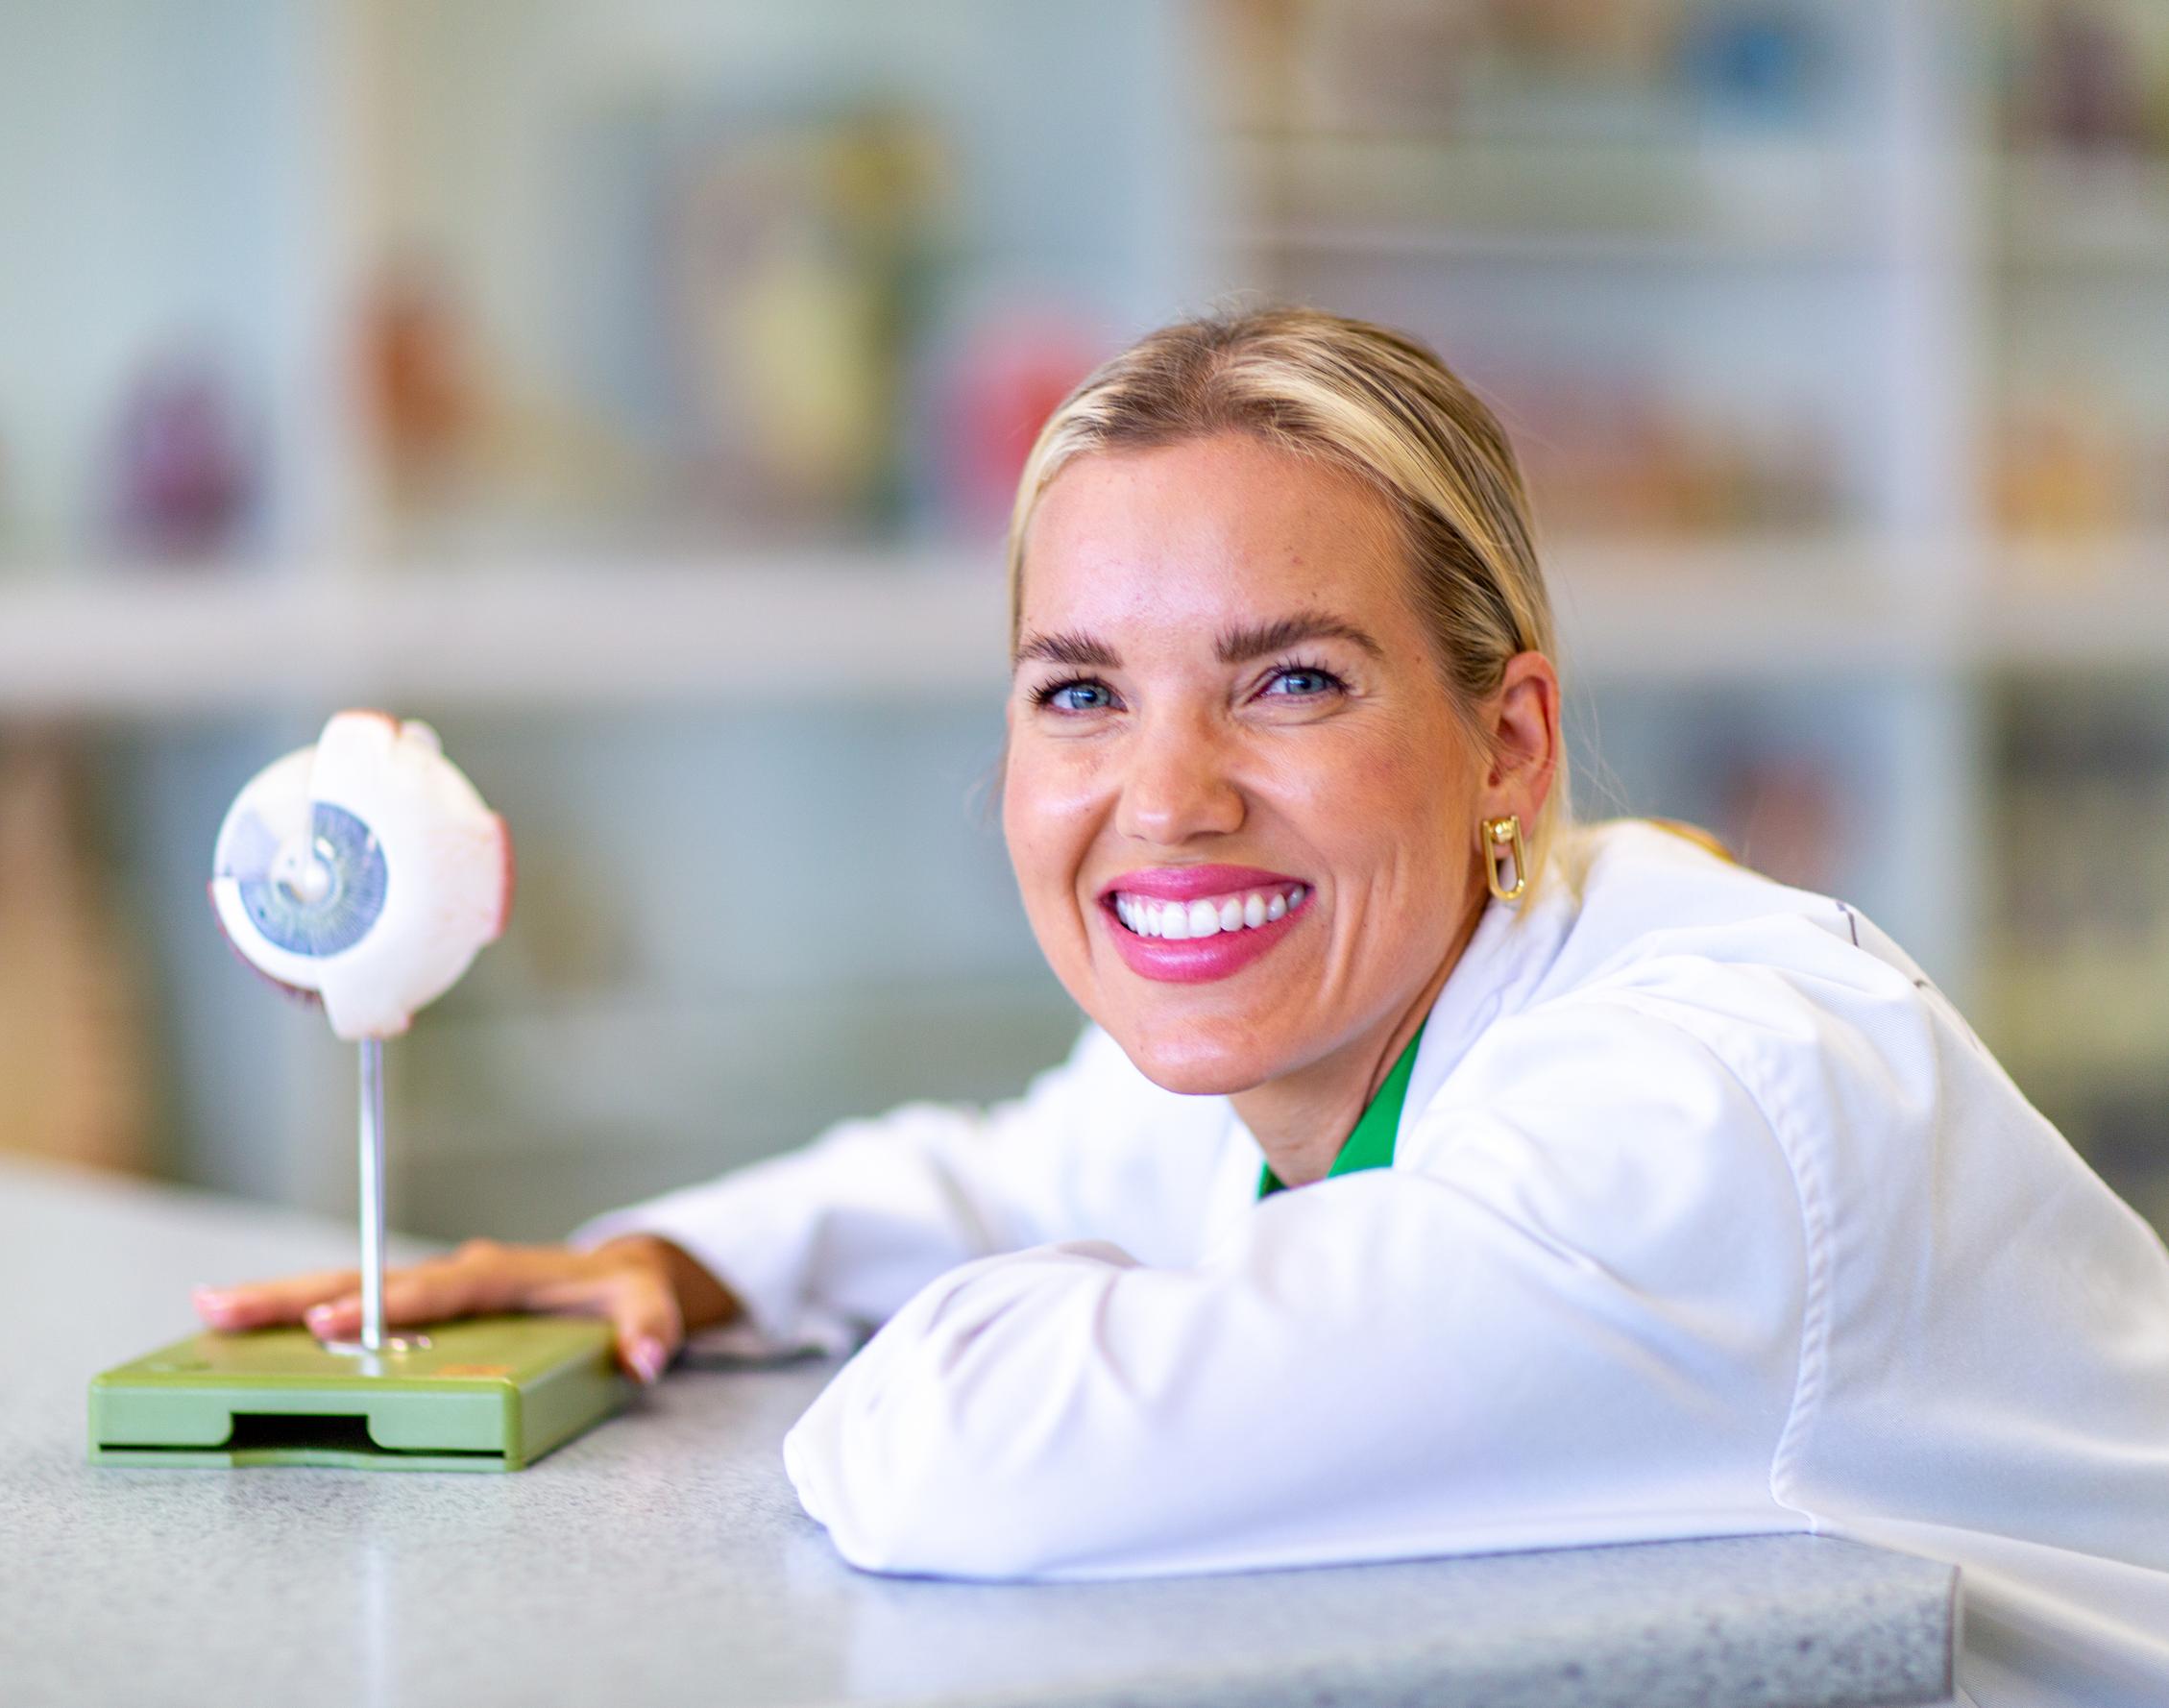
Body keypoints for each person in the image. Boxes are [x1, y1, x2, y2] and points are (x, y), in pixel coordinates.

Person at [193, 308, 2169, 1705]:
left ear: (1505, 739)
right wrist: (662, 1263)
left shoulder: (1699, 1120)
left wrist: (1058, 1308)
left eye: (1289, 679)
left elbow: (959, 1452)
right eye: (1079, 691)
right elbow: (1004, 1171)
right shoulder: (1381, 1001)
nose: (1164, 795)